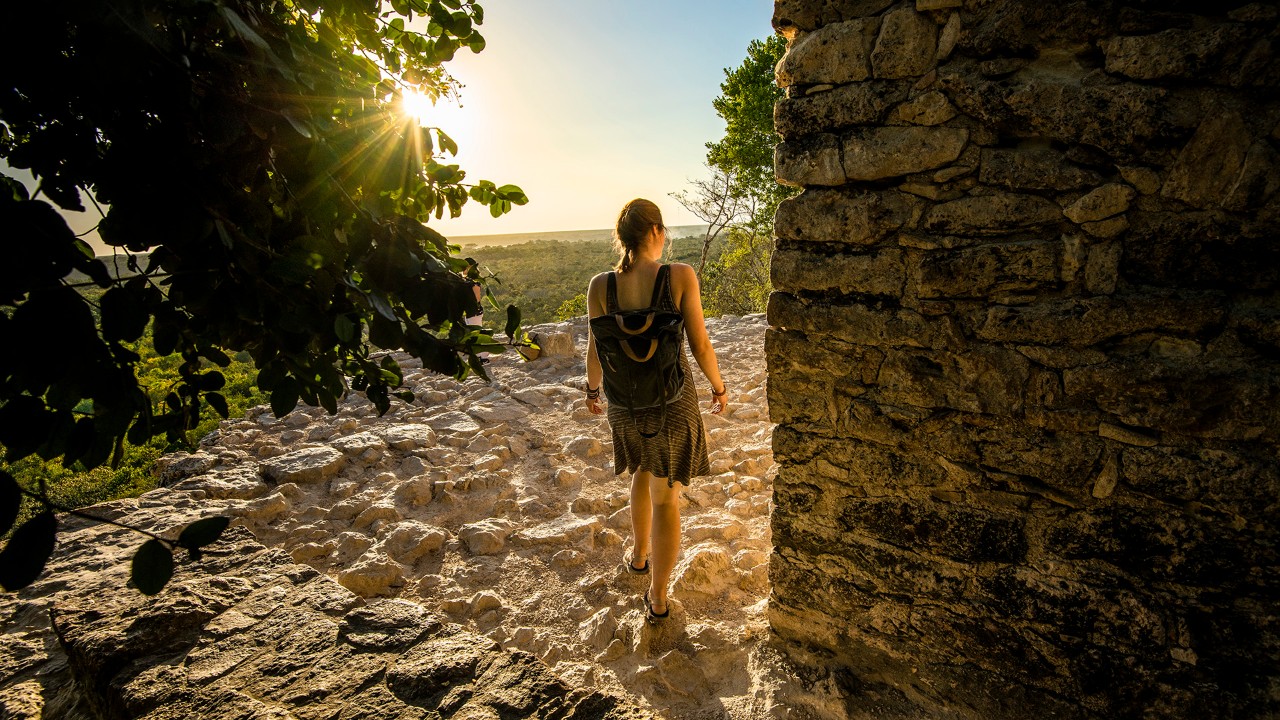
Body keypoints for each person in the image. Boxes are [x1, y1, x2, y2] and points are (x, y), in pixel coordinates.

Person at [584, 198, 728, 622]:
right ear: (653, 232)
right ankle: (659, 597)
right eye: (662, 230)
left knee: (642, 472)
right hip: (672, 401)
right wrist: (719, 387)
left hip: (624, 402)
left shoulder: (599, 286)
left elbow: (596, 346)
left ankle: (639, 557)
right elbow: (699, 344)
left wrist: (592, 390)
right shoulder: (679, 277)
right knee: (667, 500)